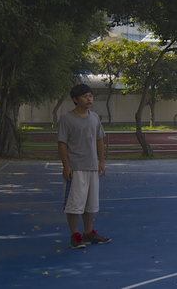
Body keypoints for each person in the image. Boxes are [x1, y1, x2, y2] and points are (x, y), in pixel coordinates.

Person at [57, 82, 109, 249]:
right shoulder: (66, 119)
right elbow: (62, 143)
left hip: (92, 167)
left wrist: (101, 161)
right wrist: (66, 165)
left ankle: (88, 233)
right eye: (85, 96)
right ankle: (75, 235)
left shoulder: (94, 118)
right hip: (76, 168)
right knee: (74, 203)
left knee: (90, 203)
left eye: (90, 96)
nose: (89, 99)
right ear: (75, 99)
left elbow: (100, 139)